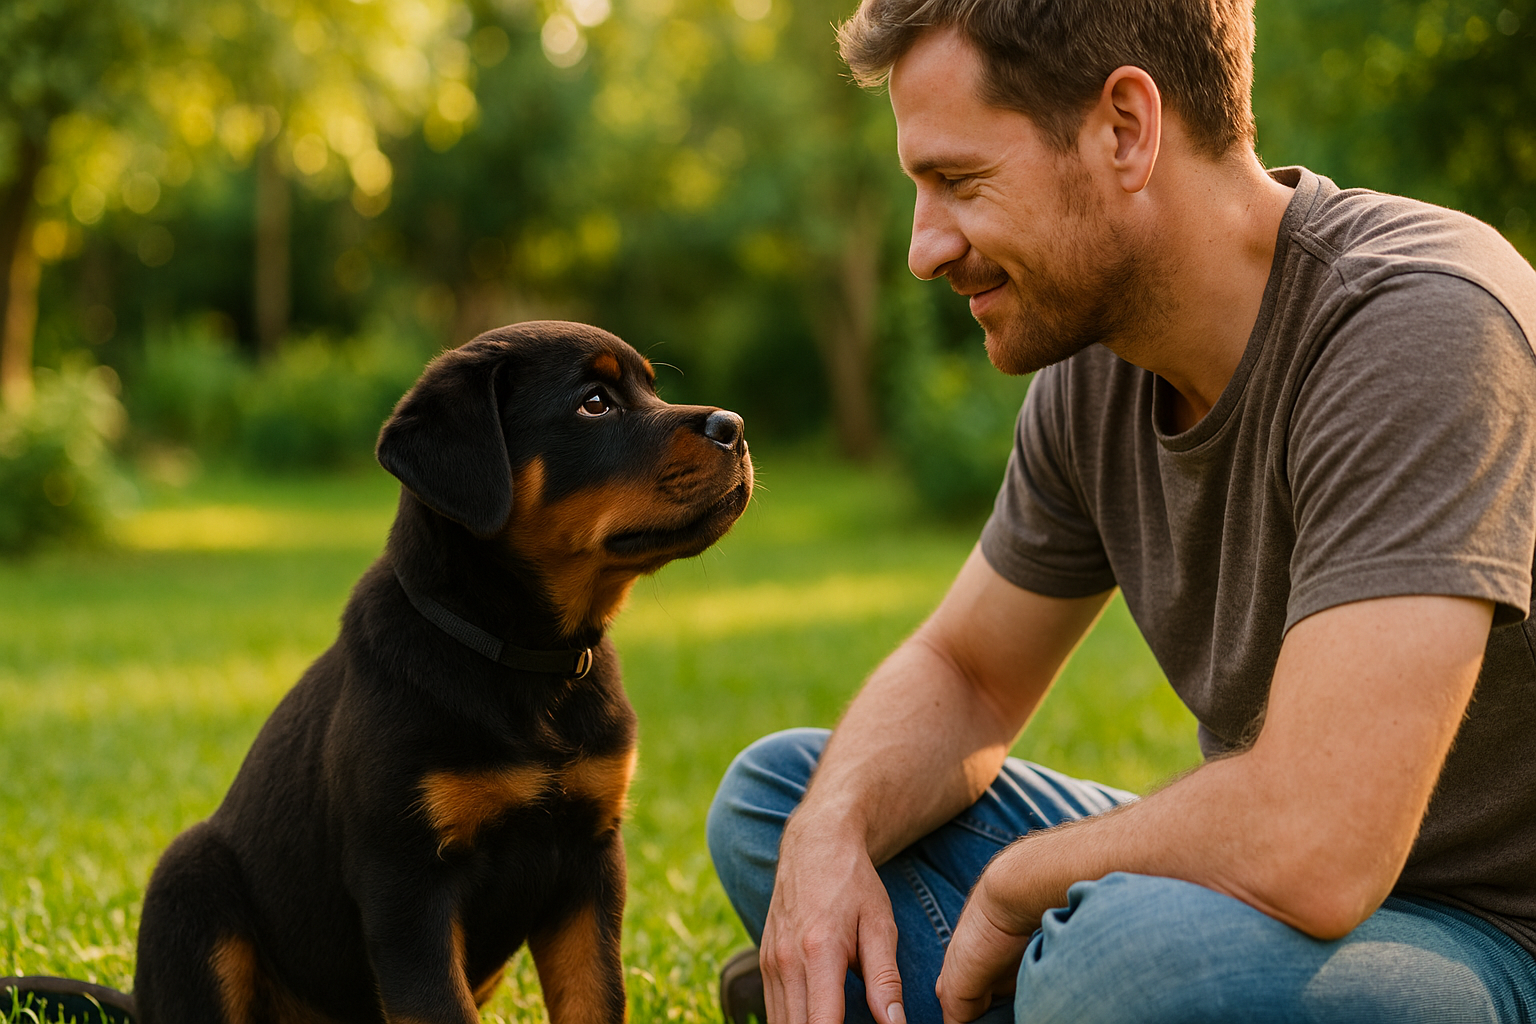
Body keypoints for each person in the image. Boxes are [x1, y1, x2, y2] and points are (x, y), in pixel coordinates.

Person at [705, 1, 1536, 1022]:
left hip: (1493, 934)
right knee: (785, 805)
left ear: (1126, 130)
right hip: (1276, 901)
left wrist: (1023, 884)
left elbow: (1321, 844)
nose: (924, 248)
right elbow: (966, 673)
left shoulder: (1420, 327)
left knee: (1122, 965)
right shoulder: (1095, 375)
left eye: (959, 182)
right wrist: (833, 832)